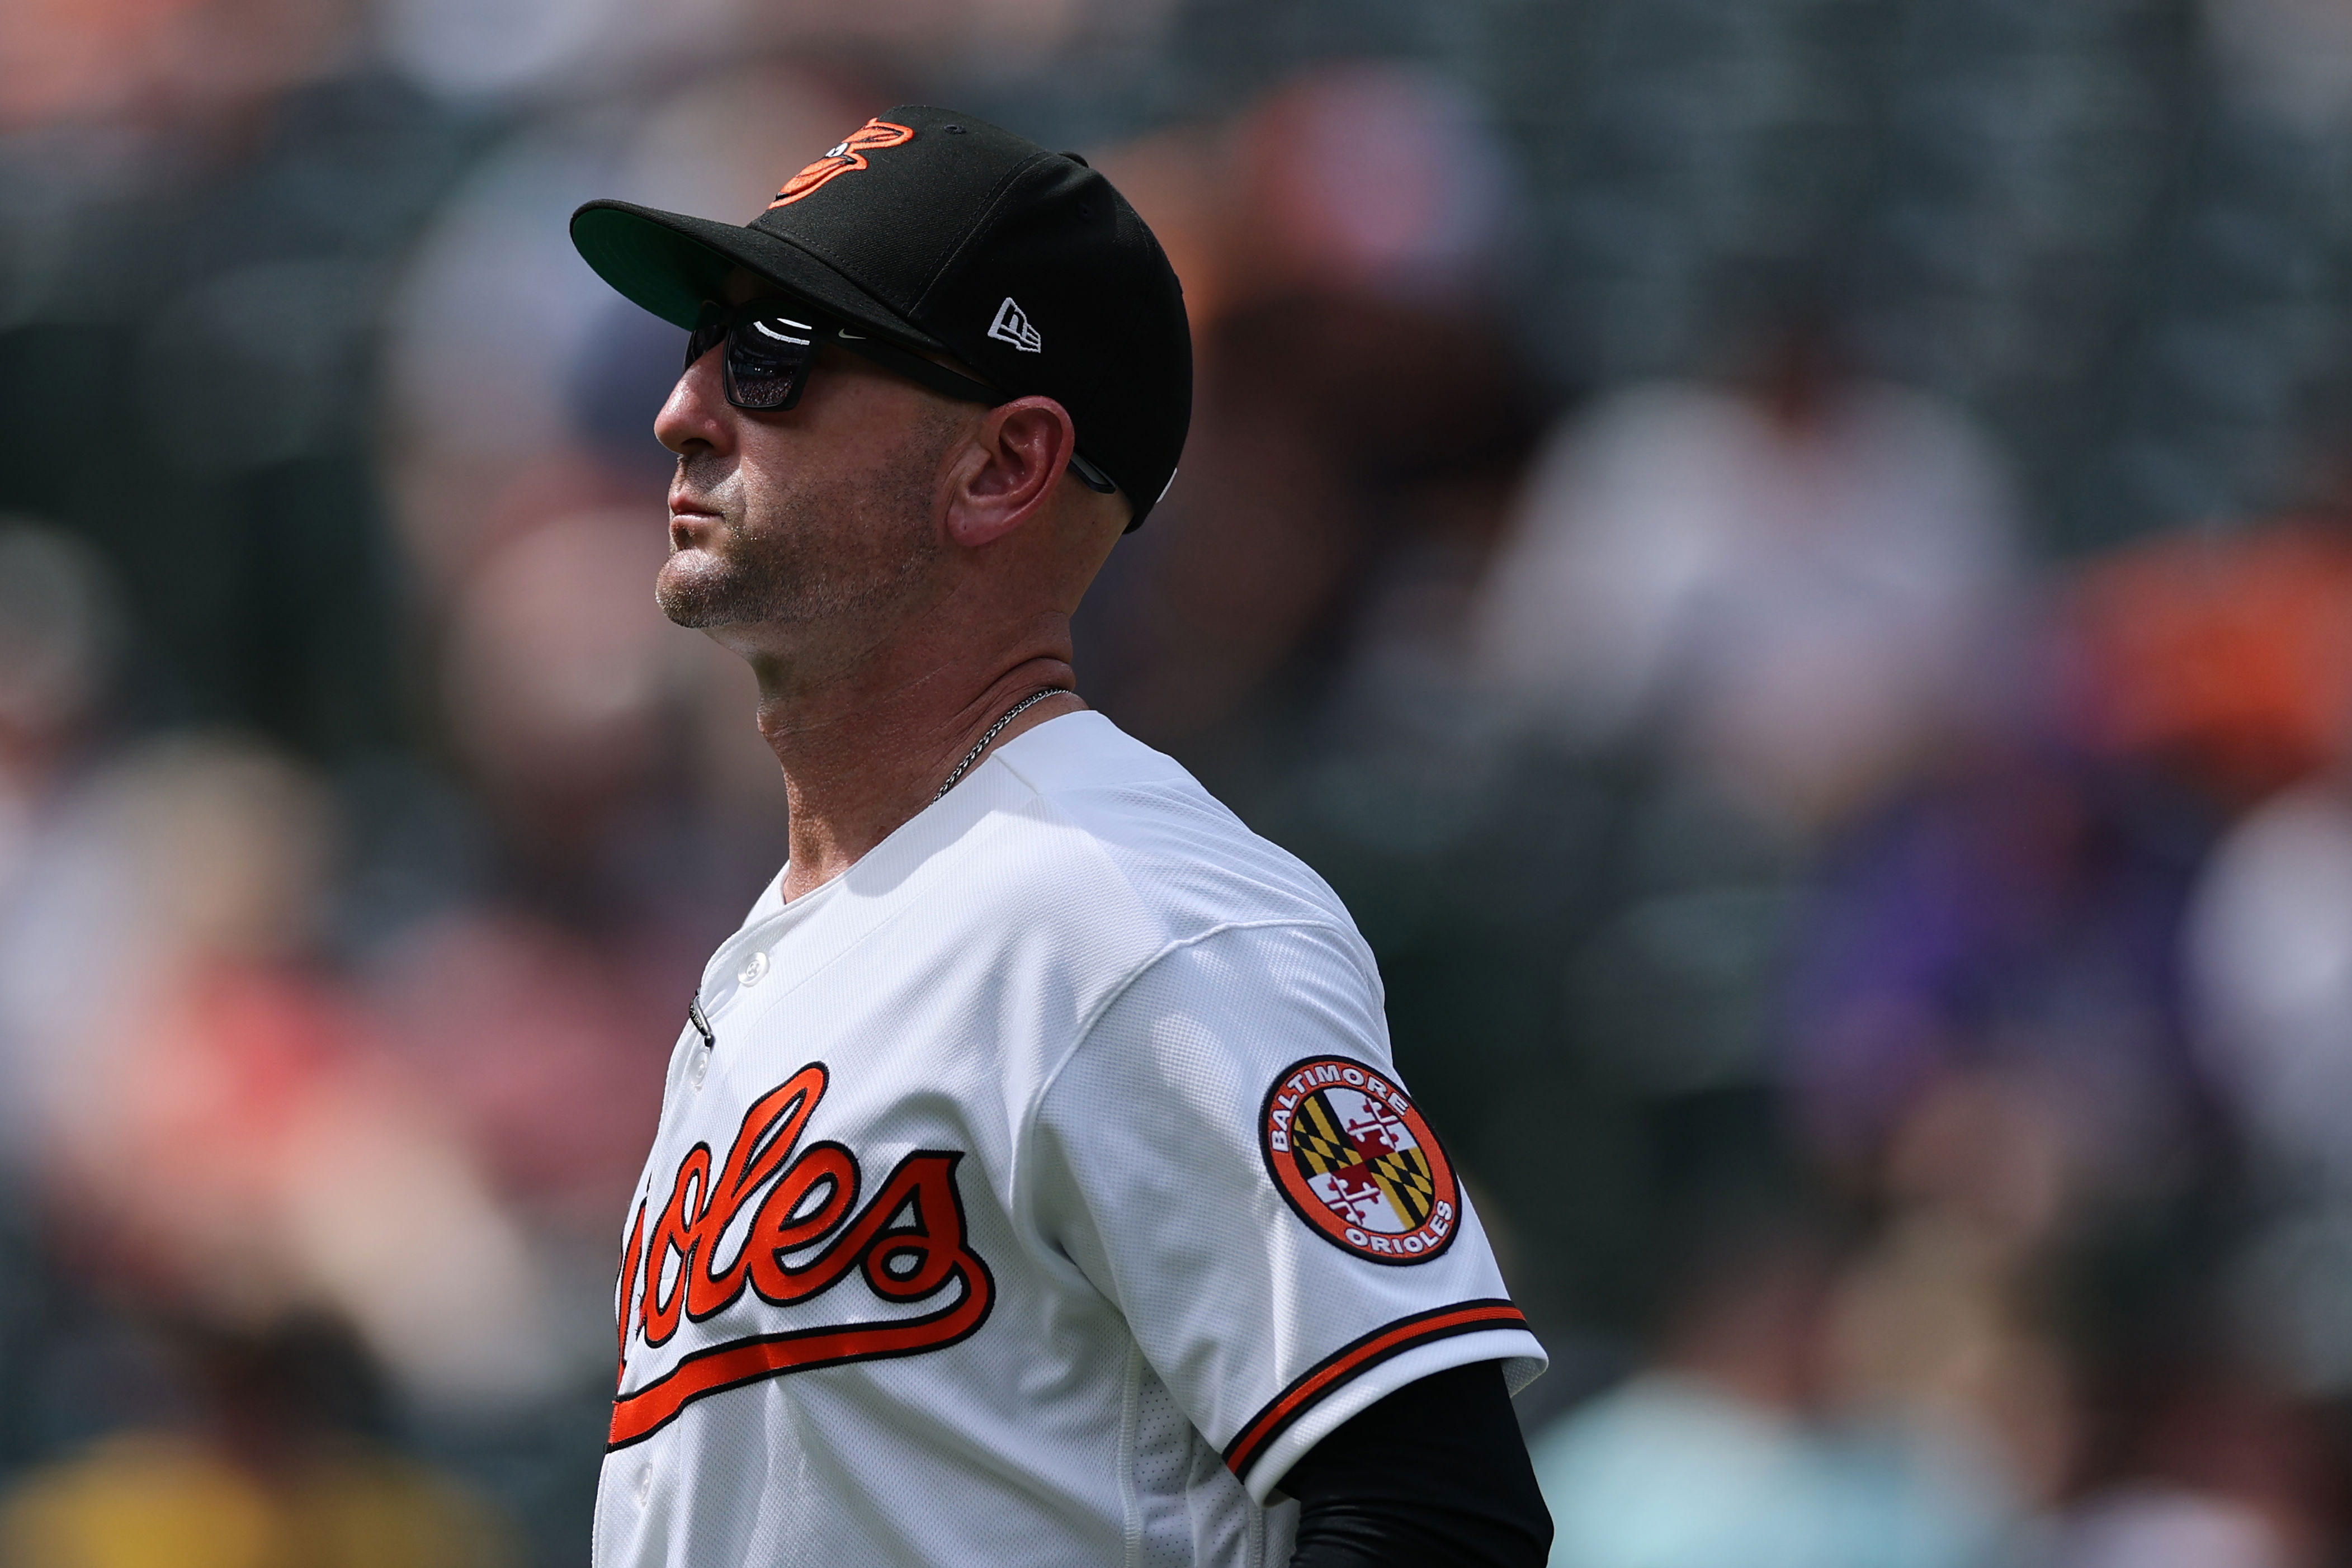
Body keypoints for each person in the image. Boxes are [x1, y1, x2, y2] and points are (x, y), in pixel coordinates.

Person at [564, 106, 1551, 1566]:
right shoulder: (788, 939)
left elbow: (1435, 1511)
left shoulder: (1131, 914)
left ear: (1003, 467)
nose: (685, 408)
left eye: (772, 353)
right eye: (700, 344)